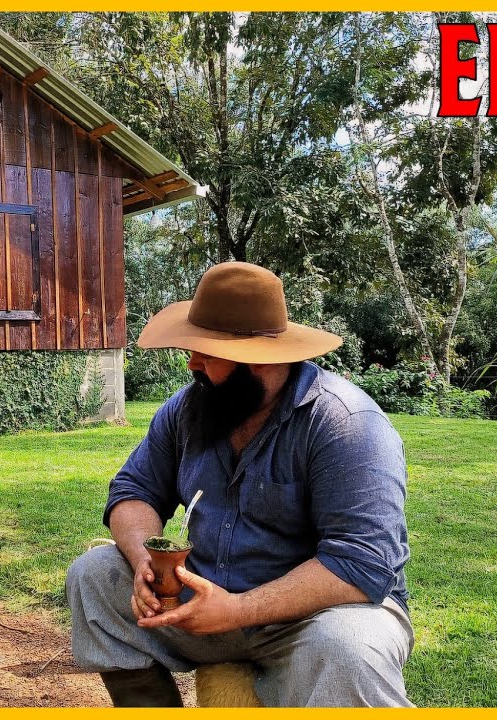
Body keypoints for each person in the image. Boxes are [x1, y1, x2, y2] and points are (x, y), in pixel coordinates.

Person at [65, 261, 414, 707]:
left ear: (258, 360)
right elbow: (134, 489)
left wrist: (238, 610)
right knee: (93, 575)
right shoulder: (189, 407)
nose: (191, 362)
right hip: (205, 600)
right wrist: (144, 564)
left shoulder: (346, 424)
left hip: (315, 618)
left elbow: (362, 563)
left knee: (349, 648)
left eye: (206, 352)